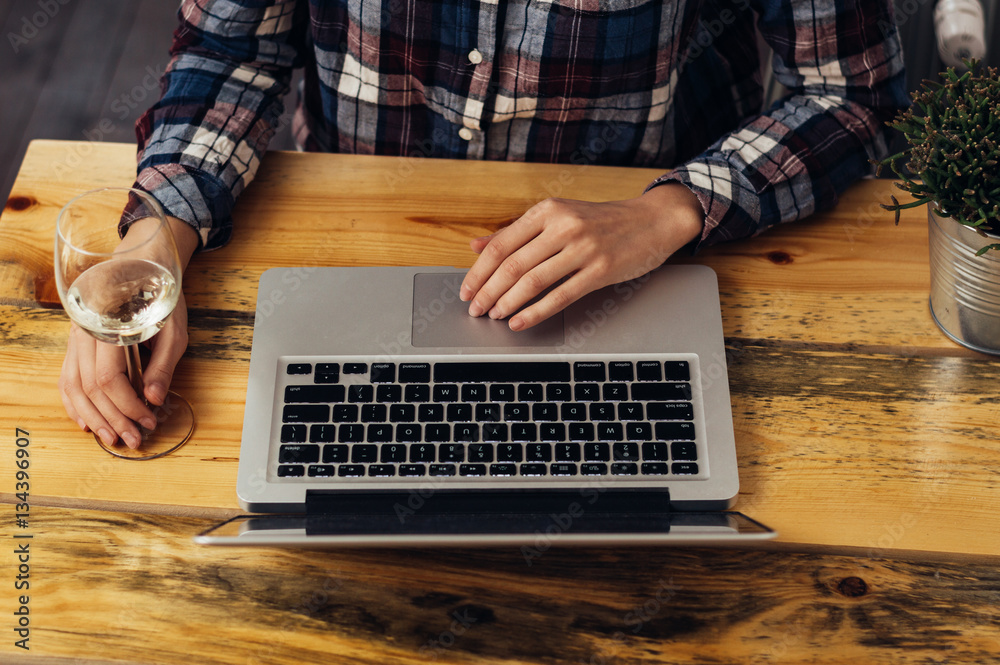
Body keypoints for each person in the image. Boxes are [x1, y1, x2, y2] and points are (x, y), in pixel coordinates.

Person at [59, 0, 908, 448]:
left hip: (641, 259)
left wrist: (668, 211)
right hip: (353, 243)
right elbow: (230, 52)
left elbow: (852, 93)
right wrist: (157, 238)